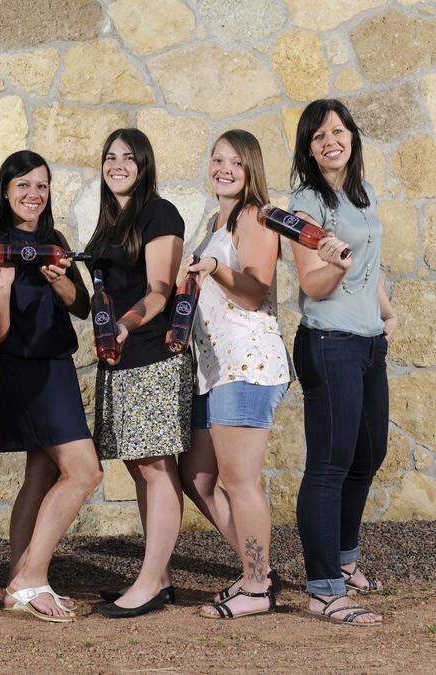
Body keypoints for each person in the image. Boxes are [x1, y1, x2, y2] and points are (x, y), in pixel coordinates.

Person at [0, 150, 103, 623]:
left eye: (41, 186)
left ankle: (17, 583)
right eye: (24, 185)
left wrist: (60, 280)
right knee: (85, 471)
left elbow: (82, 306)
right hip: (25, 372)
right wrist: (3, 287)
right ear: (7, 192)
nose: (33, 194)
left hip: (57, 367)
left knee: (41, 475)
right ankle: (32, 576)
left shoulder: (54, 242)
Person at [288, 99, 398, 626]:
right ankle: (324, 588)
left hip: (368, 340)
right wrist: (332, 265)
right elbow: (313, 283)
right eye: (319, 136)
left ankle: (346, 560)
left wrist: (386, 311)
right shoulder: (307, 203)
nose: (332, 140)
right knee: (329, 465)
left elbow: (371, 261)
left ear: (352, 135)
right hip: (328, 342)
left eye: (339, 130)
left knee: (369, 453)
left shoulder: (363, 193)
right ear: (309, 149)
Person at [179, 130, 289, 620]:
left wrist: (216, 270)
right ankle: (258, 571)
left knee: (239, 481)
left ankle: (255, 584)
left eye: (234, 162)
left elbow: (252, 291)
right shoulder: (214, 221)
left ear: (251, 170)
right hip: (213, 370)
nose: (223, 168)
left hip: (247, 364)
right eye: (217, 159)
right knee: (197, 478)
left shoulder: (255, 216)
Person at [86, 129, 191, 619]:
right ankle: (161, 576)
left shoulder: (159, 212)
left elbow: (160, 290)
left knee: (154, 466)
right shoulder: (111, 221)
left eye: (128, 157)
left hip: (150, 353)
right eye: (110, 157)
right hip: (119, 358)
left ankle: (150, 582)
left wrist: (125, 327)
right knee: (137, 466)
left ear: (144, 163)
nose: (118, 164)